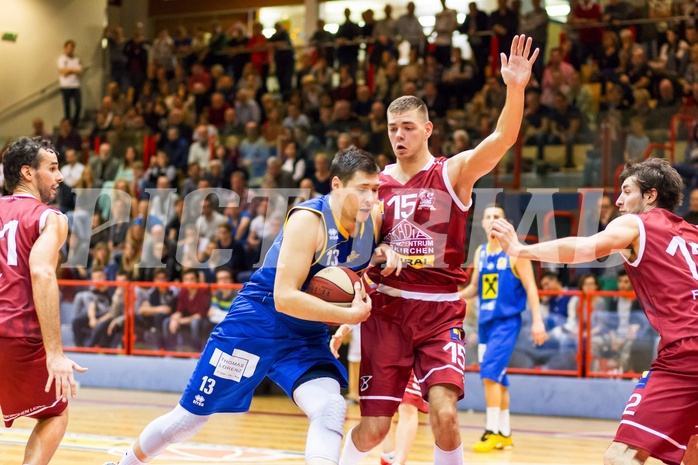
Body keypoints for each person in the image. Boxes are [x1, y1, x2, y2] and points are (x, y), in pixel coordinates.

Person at [104, 147, 402, 465]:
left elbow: (363, 265)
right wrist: (347, 315)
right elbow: (284, 298)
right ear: (337, 186)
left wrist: (387, 247)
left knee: (330, 407)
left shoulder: (373, 218)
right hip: (257, 322)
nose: (371, 198)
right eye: (362, 189)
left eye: (374, 189)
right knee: (188, 420)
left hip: (304, 334)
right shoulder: (309, 220)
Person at [339, 35, 538, 465]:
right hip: (387, 312)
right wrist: (371, 259)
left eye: (408, 127)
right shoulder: (376, 185)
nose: (399, 135)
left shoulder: (451, 173)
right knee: (374, 429)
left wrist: (515, 89)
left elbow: (502, 138)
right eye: (393, 128)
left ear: (427, 129)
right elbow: (356, 248)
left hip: (439, 312)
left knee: (445, 414)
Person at [490, 157, 698, 465]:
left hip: (686, 353)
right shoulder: (692, 232)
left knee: (621, 456)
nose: (618, 200)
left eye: (627, 191)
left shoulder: (636, 223)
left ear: (650, 196)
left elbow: (587, 248)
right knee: (692, 450)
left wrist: (523, 250)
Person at [0, 137, 87, 465]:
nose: (59, 176)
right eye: (51, 168)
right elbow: (42, 274)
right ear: (27, 173)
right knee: (55, 413)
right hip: (17, 333)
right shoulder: (49, 218)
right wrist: (55, 354)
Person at [459, 205, 546, 453]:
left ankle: (492, 431)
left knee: (488, 373)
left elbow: (531, 288)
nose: (491, 221)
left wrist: (538, 321)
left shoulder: (515, 252)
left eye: (497, 216)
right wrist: (453, 297)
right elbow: (475, 288)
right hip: (485, 323)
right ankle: (505, 434)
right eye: (487, 217)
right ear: (483, 224)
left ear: (505, 224)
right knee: (498, 378)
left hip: (507, 322)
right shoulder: (480, 252)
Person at [58, 40, 83, 128]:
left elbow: (79, 71)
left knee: (78, 105)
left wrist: (69, 70)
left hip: (75, 85)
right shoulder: (61, 59)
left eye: (72, 48)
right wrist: (73, 70)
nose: (70, 50)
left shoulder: (76, 59)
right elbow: (63, 72)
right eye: (68, 48)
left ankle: (75, 123)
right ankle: (67, 124)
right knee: (67, 107)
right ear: (65, 48)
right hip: (65, 86)